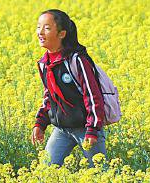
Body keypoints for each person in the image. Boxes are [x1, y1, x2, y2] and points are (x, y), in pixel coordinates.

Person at [31, 9, 106, 166]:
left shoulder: (77, 60)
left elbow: (93, 95)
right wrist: (40, 122)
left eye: (47, 28)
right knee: (46, 172)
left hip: (85, 128)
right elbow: (49, 96)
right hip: (62, 129)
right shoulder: (44, 63)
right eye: (39, 27)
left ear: (61, 34)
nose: (40, 32)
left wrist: (92, 129)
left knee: (99, 172)